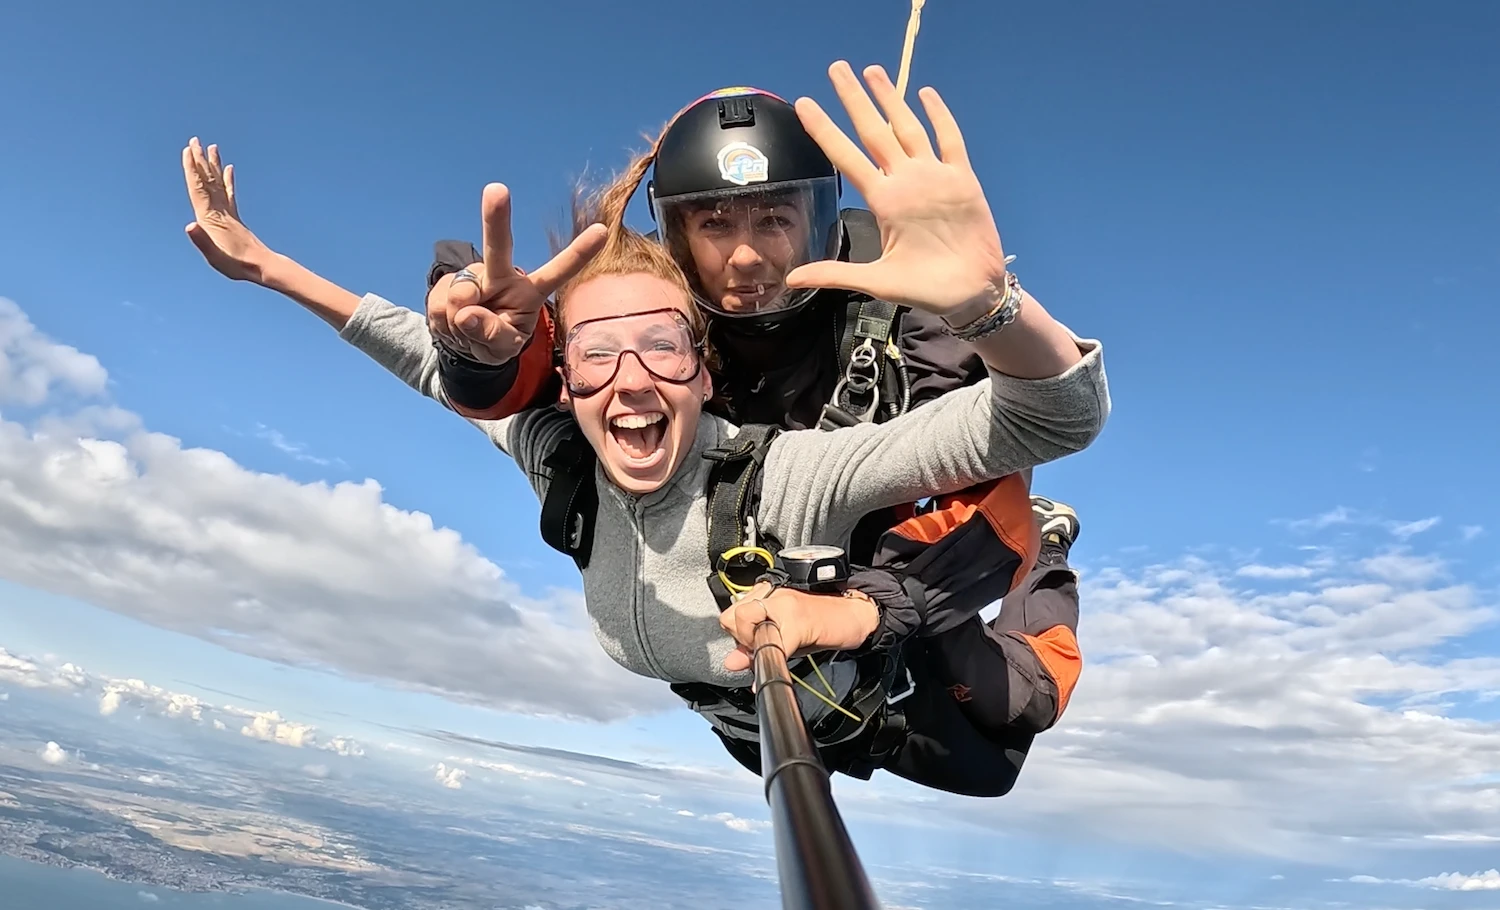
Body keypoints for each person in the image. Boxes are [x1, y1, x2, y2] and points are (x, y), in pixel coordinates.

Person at [180, 63, 1111, 797]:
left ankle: (1052, 553)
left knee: (1002, 734)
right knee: (807, 750)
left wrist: (991, 307)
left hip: (907, 555)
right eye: (712, 222)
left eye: (776, 217)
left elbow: (1052, 413)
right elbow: (433, 369)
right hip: (763, 702)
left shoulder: (793, 469)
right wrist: (269, 266)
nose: (746, 254)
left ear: (701, 368)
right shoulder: (567, 458)